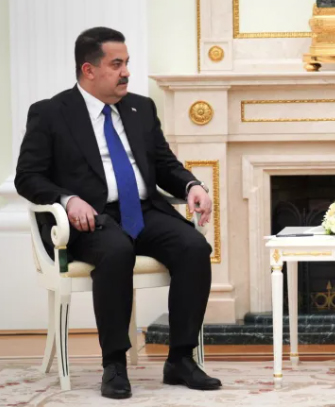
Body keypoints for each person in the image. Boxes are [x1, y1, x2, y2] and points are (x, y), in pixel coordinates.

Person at [15, 27, 222, 399]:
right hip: (89, 219)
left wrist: (192, 185)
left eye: (126, 63)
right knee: (116, 251)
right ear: (89, 70)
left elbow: (164, 164)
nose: (126, 72)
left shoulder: (141, 108)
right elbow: (27, 177)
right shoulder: (51, 113)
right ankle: (114, 364)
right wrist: (67, 199)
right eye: (116, 64)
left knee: (194, 248)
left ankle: (180, 358)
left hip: (143, 210)